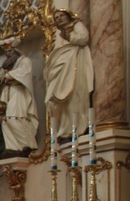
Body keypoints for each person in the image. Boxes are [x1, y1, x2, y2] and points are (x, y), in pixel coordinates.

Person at [44, 9, 94, 140]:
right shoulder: (59, 34)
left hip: (75, 66)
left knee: (74, 96)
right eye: (56, 17)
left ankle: (76, 127)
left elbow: (84, 38)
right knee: (57, 99)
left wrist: (70, 36)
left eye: (61, 16)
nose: (59, 19)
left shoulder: (76, 25)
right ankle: (66, 128)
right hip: (63, 69)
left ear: (68, 16)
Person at [0, 37, 38, 155]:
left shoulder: (24, 61)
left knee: (14, 117)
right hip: (7, 92)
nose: (8, 54)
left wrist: (8, 75)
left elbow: (24, 72)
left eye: (10, 51)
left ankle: (26, 144)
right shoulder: (9, 65)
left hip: (18, 93)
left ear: (16, 50)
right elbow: (1, 77)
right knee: (5, 120)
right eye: (6, 52)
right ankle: (13, 147)